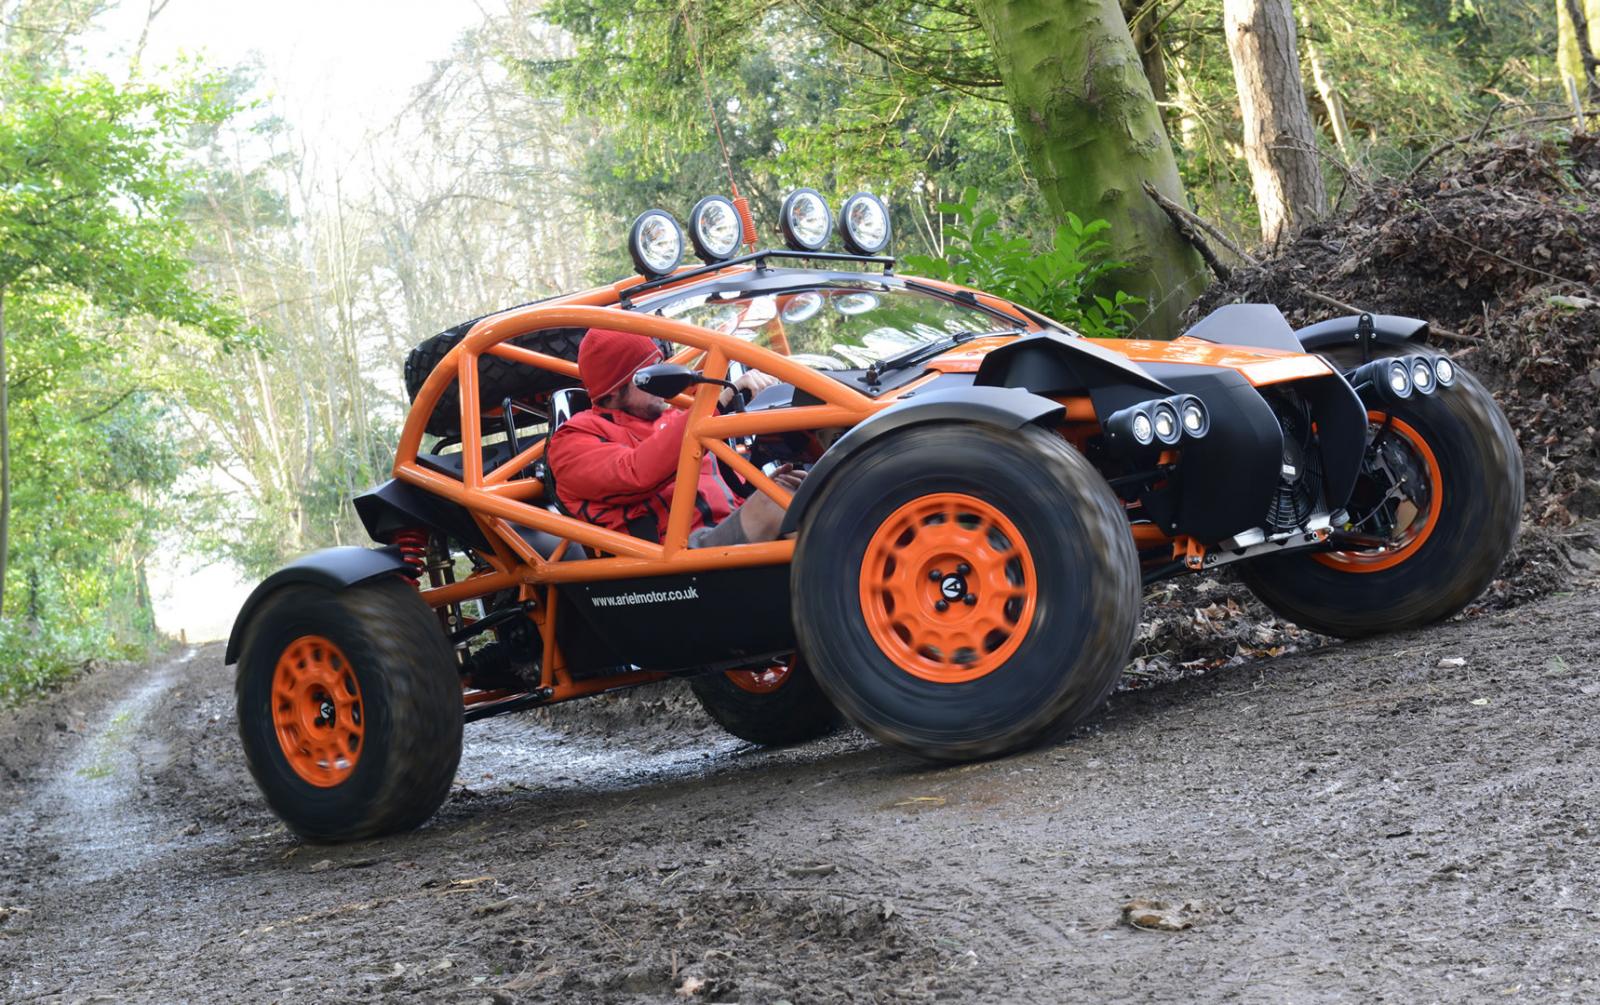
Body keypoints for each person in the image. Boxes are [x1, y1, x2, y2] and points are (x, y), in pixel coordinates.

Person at [547, 327, 804, 547]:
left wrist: (763, 487)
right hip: (676, 557)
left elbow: (718, 488)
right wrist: (714, 403)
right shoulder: (572, 440)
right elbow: (636, 473)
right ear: (613, 391)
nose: (662, 382)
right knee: (779, 507)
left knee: (812, 493)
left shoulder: (675, 420)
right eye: (648, 377)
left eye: (660, 367)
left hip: (724, 533)